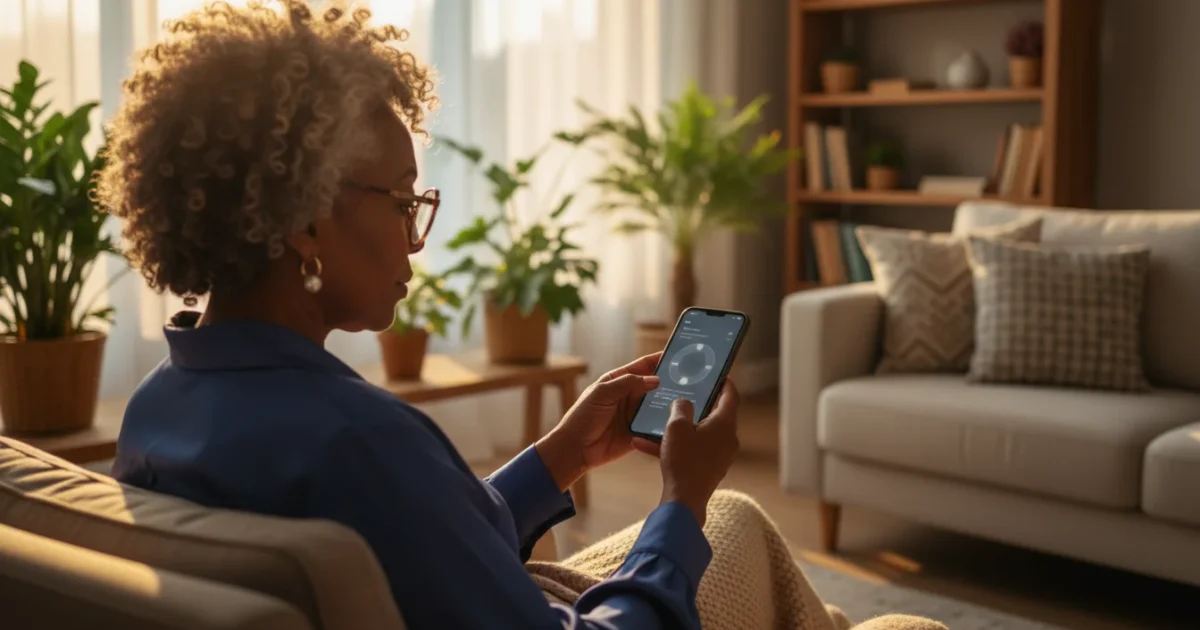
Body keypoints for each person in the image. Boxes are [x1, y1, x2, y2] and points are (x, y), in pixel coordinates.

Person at [99, 3, 945, 630]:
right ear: (306, 223)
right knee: (786, 558)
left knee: (740, 528)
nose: (415, 237)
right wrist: (680, 498)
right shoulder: (360, 442)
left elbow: (420, 542)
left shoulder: (157, 412)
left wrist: (565, 453)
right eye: (401, 202)